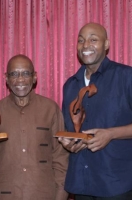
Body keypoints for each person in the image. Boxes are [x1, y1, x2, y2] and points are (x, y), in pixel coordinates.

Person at [0, 54, 69, 200]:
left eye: (26, 73)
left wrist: (60, 196)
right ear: (6, 78)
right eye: (14, 74)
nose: (20, 79)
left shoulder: (50, 109)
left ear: (34, 77)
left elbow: (61, 159)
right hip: (4, 195)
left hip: (44, 194)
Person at [59, 22, 132, 199]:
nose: (86, 45)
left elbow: (109, 132)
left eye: (93, 40)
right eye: (81, 40)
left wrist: (111, 134)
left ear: (106, 45)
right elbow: (72, 130)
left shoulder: (126, 76)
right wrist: (69, 142)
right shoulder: (70, 85)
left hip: (117, 184)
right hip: (81, 184)